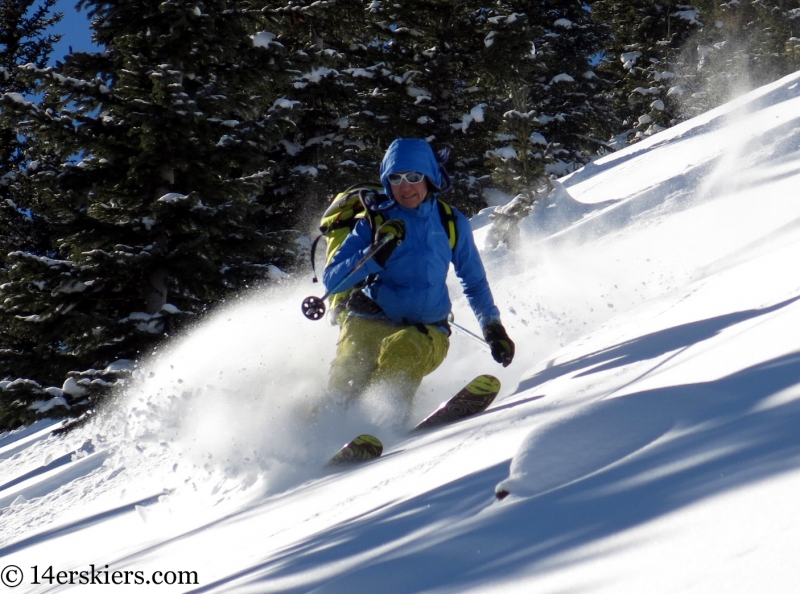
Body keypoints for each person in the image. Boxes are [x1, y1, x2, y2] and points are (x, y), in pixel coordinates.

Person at [323, 138, 514, 414]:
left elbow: (473, 281)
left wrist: (492, 327)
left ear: (430, 178)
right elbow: (332, 280)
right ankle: (326, 434)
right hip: (368, 320)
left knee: (403, 351)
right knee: (345, 381)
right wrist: (371, 257)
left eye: (414, 177)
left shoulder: (450, 222)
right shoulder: (374, 221)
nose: (405, 187)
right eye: (396, 178)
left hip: (426, 331)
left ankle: (384, 423)